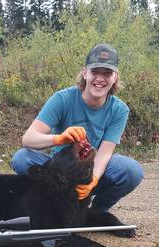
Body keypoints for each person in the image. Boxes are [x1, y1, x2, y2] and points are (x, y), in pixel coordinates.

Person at [10, 43, 144, 212]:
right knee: (21, 159)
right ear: (85, 73)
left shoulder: (119, 110)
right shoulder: (62, 99)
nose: (100, 79)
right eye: (95, 72)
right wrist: (59, 139)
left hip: (90, 171)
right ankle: (47, 205)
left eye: (107, 73)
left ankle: (96, 212)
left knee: (132, 171)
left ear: (115, 77)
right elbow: (28, 139)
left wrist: (94, 180)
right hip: (60, 172)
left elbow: (105, 153)